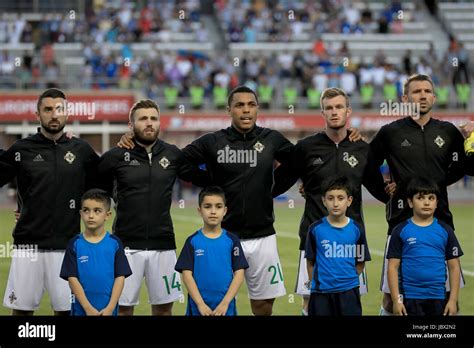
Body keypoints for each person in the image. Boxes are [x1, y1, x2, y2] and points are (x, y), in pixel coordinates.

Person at [118, 86, 362, 315]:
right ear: (229, 110)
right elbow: (179, 161)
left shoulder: (271, 139)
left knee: (264, 305)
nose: (246, 110)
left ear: (257, 108)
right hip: (223, 236)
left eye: (251, 104)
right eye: (239, 105)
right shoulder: (213, 142)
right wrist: (212, 182)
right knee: (216, 300)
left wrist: (274, 188)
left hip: (262, 235)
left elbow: (302, 161)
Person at [272, 87, 393, 315]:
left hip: (352, 237)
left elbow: (380, 190)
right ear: (322, 113)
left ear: (348, 111)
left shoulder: (362, 148)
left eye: (339, 107)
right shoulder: (306, 148)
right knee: (310, 303)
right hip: (313, 237)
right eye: (329, 108)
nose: (334, 112)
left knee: (348, 300)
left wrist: (397, 189)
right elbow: (276, 184)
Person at [97, 99, 210, 316]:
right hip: (125, 246)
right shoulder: (115, 156)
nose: (149, 123)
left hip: (163, 245)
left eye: (153, 118)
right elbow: (91, 184)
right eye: (143, 119)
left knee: (164, 311)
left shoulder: (173, 154)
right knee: (122, 310)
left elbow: (204, 178)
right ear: (131, 126)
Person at [370, 74, 468, 315]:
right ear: (405, 98)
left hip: (441, 220)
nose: (422, 95)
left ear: (434, 97)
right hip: (401, 221)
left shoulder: (448, 132)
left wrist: (472, 139)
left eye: (427, 91)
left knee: (445, 295)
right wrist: (384, 192)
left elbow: (465, 167)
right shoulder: (389, 132)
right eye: (416, 91)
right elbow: (365, 166)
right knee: (392, 299)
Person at [0, 88, 99, 315]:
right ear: (38, 114)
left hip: (67, 246)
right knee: (22, 311)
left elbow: (104, 183)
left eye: (59, 109)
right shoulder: (21, 150)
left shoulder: (82, 150)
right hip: (28, 246)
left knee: (65, 311)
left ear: (67, 113)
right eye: (47, 110)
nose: (54, 115)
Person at [387, 177, 462, 316]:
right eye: (420, 198)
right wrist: (397, 300)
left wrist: (452, 300)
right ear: (410, 202)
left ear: (436, 203)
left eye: (431, 198)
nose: (426, 202)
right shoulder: (400, 230)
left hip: (438, 297)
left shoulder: (445, 230)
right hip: (410, 298)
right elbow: (392, 267)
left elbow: (454, 266)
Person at [175, 186, 248, 316]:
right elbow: (186, 275)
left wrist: (225, 303)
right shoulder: (192, 241)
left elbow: (239, 274)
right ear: (199, 210)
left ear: (225, 210)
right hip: (198, 308)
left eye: (218, 206)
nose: (213, 211)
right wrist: (200, 304)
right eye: (207, 206)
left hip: (225, 307)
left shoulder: (232, 240)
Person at [305, 175, 371, 316]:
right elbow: (310, 261)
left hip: (349, 293)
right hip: (321, 293)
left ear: (349, 201)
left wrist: (348, 280)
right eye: (330, 198)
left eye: (340, 198)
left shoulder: (357, 229)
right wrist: (314, 284)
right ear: (323, 201)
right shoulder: (315, 229)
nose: (335, 203)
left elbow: (360, 261)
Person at [60, 189, 132, 316]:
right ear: (81, 213)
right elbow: (72, 279)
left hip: (108, 311)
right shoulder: (75, 243)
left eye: (97, 211)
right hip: (81, 311)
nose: (91, 215)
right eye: (86, 210)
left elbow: (120, 277)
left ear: (108, 215)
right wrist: (88, 309)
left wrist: (110, 308)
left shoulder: (115, 243)